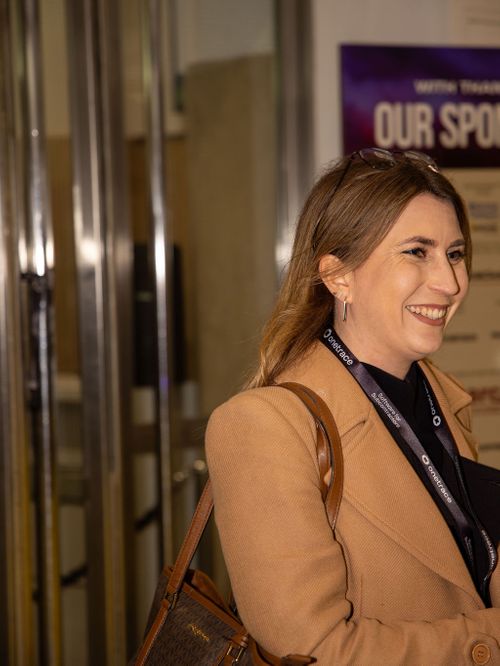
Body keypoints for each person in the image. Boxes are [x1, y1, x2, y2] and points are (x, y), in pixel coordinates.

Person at [205, 148, 500, 665]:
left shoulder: (441, 398)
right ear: (338, 276)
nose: (450, 282)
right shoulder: (263, 427)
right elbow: (313, 650)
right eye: (417, 252)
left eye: (454, 254)